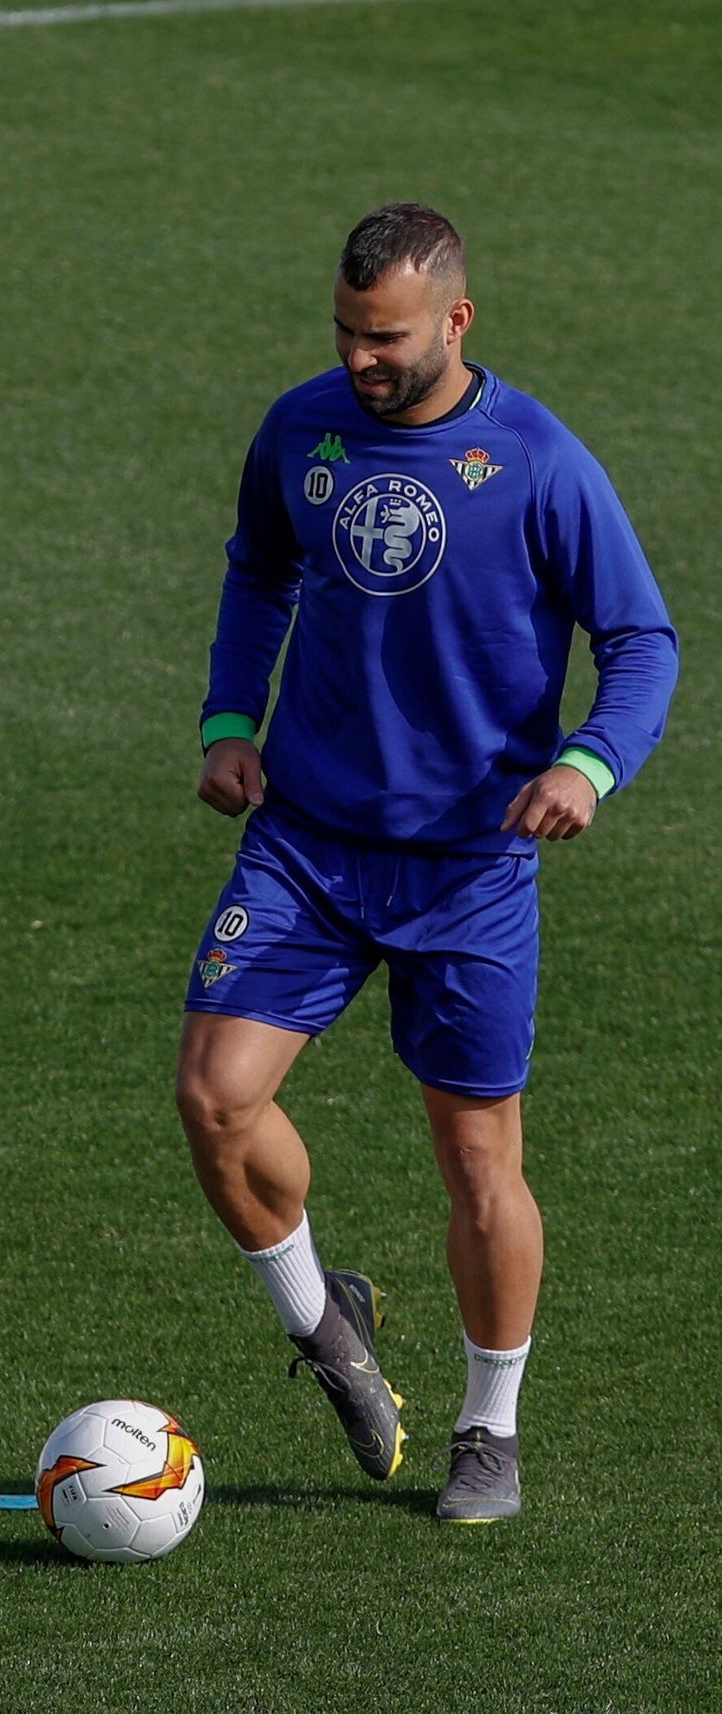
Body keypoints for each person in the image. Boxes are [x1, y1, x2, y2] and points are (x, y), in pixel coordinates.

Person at [176, 203, 677, 1521]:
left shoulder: (540, 459)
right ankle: (324, 1327)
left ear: (458, 319)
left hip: (468, 868)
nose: (360, 359)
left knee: (476, 1161)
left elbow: (643, 640)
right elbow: (257, 570)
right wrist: (232, 722)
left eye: (386, 335)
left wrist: (586, 764)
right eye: (346, 332)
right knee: (217, 1099)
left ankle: (488, 1429)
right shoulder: (301, 429)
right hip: (307, 844)